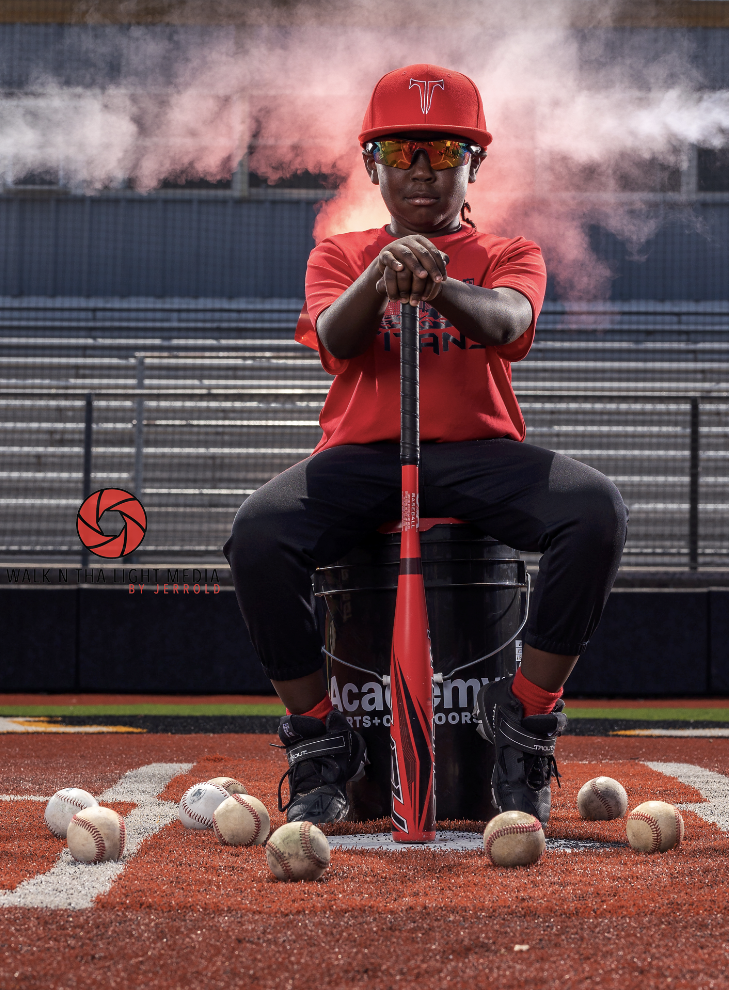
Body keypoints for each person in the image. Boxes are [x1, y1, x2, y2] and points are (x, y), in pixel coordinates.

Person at [224, 63, 627, 827]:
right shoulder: (340, 256)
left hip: (480, 455)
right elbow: (339, 341)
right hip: (362, 457)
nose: (419, 169)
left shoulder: (511, 252)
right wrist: (384, 272)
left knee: (595, 510)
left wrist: (436, 283)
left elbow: (508, 326)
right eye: (401, 150)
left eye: (443, 151)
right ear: (372, 162)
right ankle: (319, 739)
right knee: (257, 536)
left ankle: (525, 724)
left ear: (475, 162)